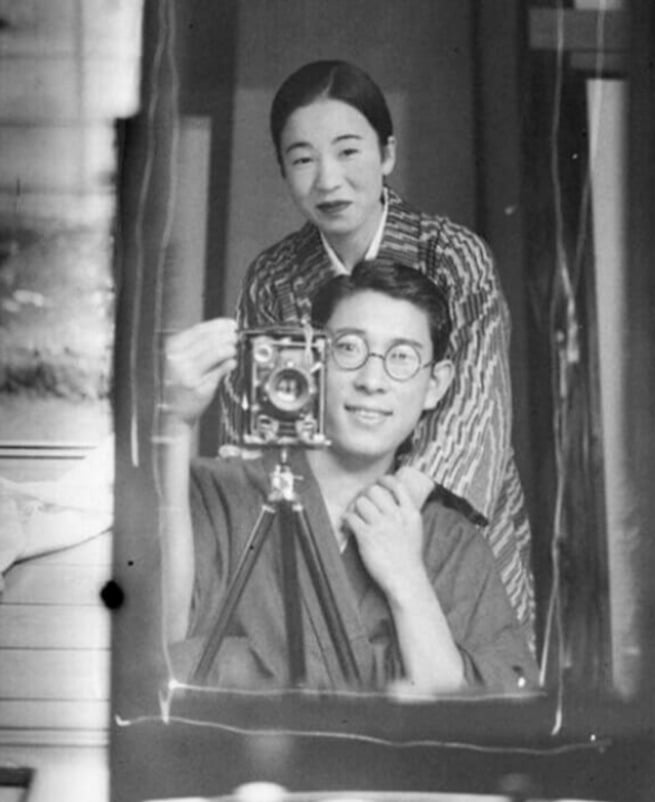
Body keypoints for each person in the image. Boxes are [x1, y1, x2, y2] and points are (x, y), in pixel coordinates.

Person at [218, 60, 535, 645]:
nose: (328, 180)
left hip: (442, 527)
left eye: (347, 151)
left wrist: (392, 518)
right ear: (283, 170)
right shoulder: (273, 276)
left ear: (386, 154)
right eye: (303, 159)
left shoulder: (455, 255)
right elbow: (271, 431)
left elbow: (475, 408)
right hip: (323, 535)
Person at [162, 261, 539, 694]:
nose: (372, 381)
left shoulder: (451, 543)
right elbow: (159, 643)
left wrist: (407, 581)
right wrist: (173, 425)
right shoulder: (220, 493)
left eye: (401, 357)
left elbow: (493, 712)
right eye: (348, 349)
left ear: (435, 384)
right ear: (312, 359)